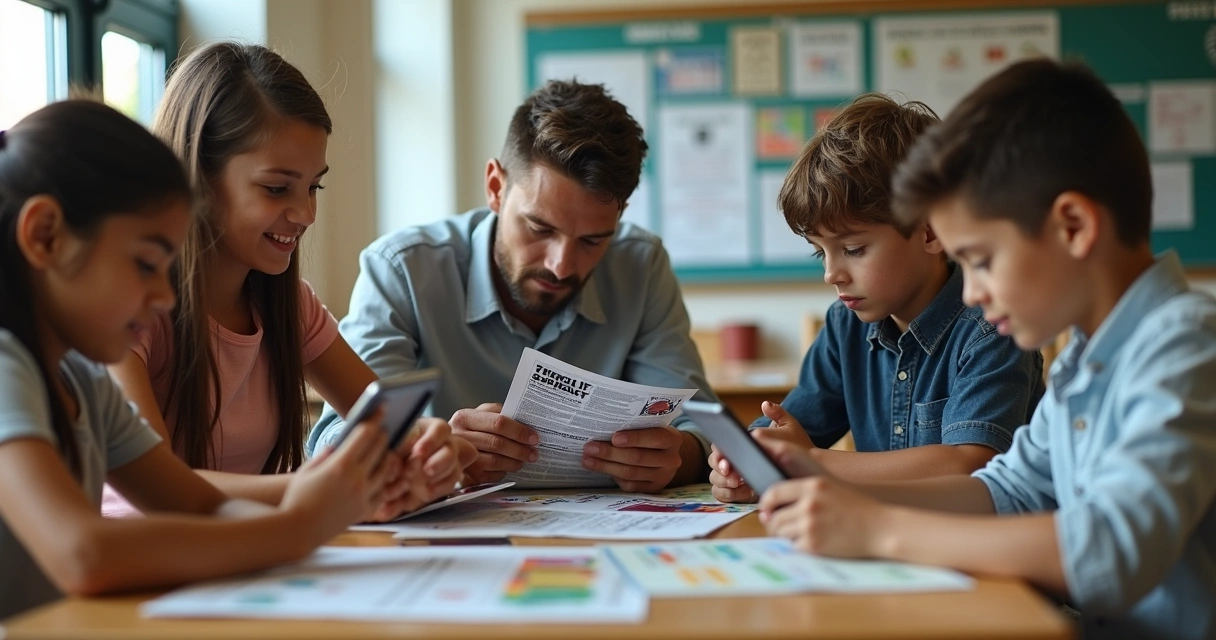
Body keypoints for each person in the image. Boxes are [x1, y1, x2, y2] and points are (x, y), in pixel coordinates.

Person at [758, 59, 1216, 639]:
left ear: (1073, 227)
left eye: (980, 259)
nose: (970, 290)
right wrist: (832, 486)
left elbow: (1110, 550)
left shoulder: (1183, 346)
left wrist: (880, 529)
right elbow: (1011, 490)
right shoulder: (1085, 359)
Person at [0, 100, 398, 620]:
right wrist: (297, 526)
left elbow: (199, 504)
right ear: (45, 235)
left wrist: (326, 500)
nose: (164, 297)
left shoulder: (84, 380)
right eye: (144, 264)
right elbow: (83, 554)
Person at [104, 42, 475, 520]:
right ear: (197, 177)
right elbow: (156, 484)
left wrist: (434, 450)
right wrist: (323, 488)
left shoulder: (289, 305)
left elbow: (391, 431)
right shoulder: (129, 313)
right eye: (277, 188)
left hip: (248, 558)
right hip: (146, 566)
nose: (306, 213)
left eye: (313, 186)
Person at [308, 80, 716, 493]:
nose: (561, 266)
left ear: (621, 213)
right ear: (495, 187)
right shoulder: (403, 269)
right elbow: (335, 439)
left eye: (593, 240)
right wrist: (429, 451)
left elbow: (704, 431)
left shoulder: (641, 266)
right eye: (539, 227)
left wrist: (677, 456)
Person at [711, 93, 1043, 503]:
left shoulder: (993, 325)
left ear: (930, 232)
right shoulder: (844, 325)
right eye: (821, 252)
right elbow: (791, 429)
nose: (831, 273)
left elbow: (969, 464)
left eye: (853, 249)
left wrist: (808, 460)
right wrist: (745, 460)